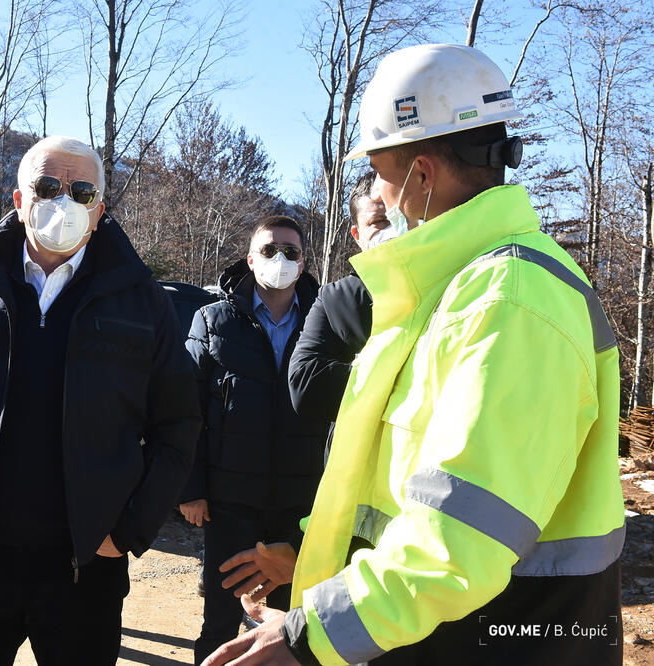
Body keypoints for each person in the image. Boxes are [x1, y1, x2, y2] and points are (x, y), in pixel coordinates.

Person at [206, 43, 623, 666]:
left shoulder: (508, 302)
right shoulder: (452, 293)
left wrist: (310, 636)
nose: (378, 193)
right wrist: (311, 574)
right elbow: (394, 490)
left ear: (423, 175)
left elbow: (457, 538)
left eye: (379, 172)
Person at [0, 135, 201, 665]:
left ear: (99, 210)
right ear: (18, 200)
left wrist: (129, 530)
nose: (65, 202)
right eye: (48, 186)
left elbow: (179, 422)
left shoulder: (141, 300)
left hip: (85, 565)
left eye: (82, 192)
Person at [179, 216, 323, 663]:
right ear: (250, 260)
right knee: (220, 619)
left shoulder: (327, 321)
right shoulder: (213, 320)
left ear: (303, 263)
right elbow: (187, 409)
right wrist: (192, 488)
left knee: (293, 624)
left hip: (302, 505)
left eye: (291, 251)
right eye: (269, 250)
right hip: (230, 499)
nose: (280, 258)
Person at [288, 171, 379, 432]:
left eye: (397, 219)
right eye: (378, 222)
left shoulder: (449, 283)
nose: (391, 232)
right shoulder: (336, 298)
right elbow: (305, 384)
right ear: (357, 234)